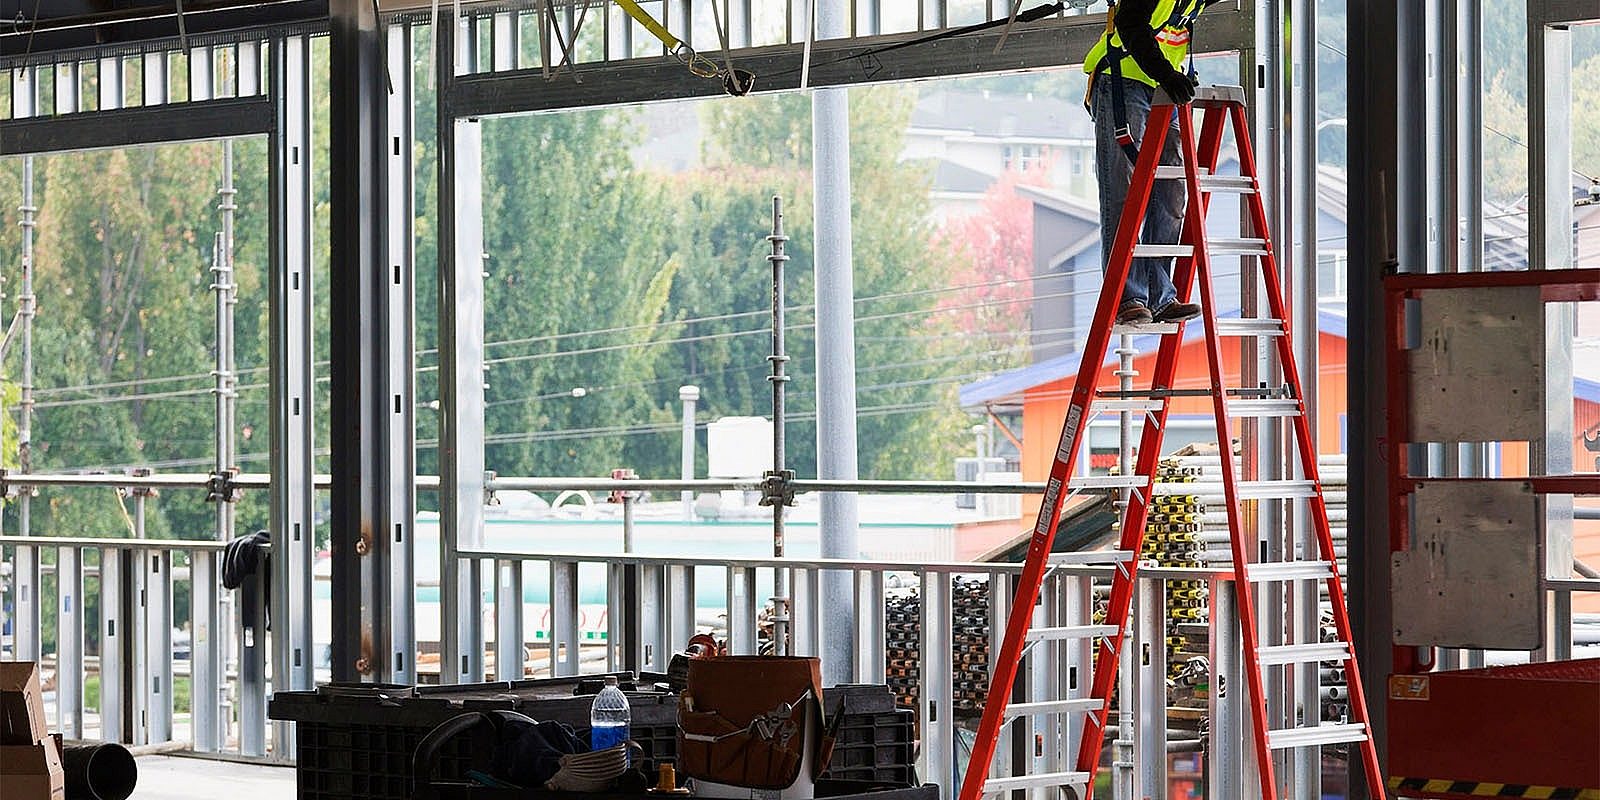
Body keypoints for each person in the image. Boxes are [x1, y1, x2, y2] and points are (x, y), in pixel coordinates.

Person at [1084, 0, 1215, 325]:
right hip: (1125, 78)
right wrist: (1166, 74)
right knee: (1123, 193)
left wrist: (1167, 78)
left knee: (1171, 196)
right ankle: (1128, 297)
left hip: (1161, 87)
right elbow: (1131, 24)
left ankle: (1160, 296)